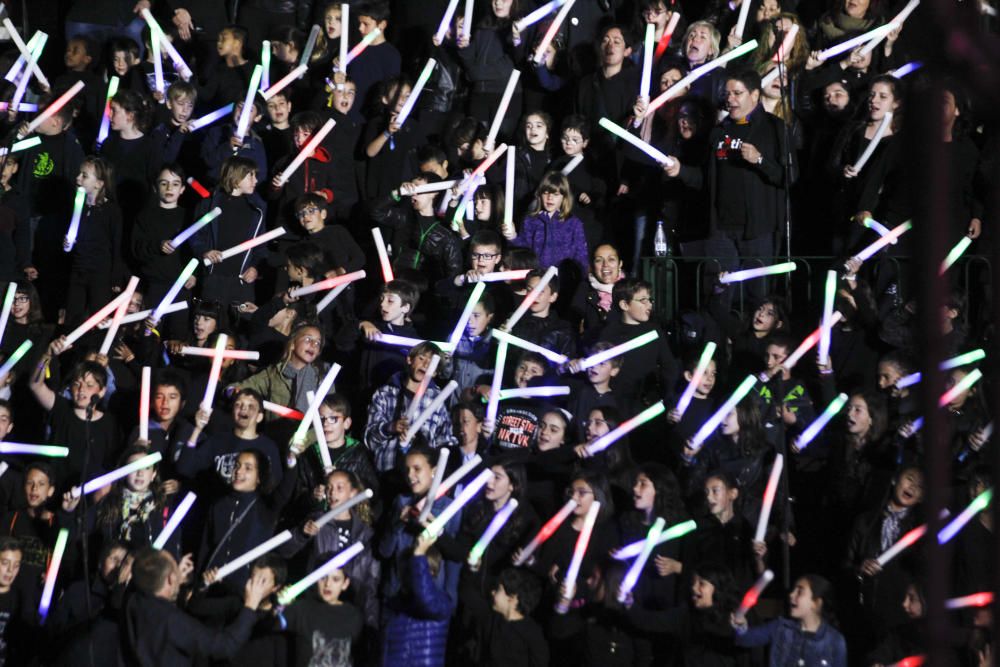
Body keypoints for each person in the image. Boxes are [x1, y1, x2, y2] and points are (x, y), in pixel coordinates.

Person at [732, 574, 848, 667]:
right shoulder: (779, 627)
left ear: (816, 603)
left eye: (799, 591)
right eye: (793, 590)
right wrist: (740, 627)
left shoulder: (835, 641)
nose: (791, 595)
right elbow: (744, 639)